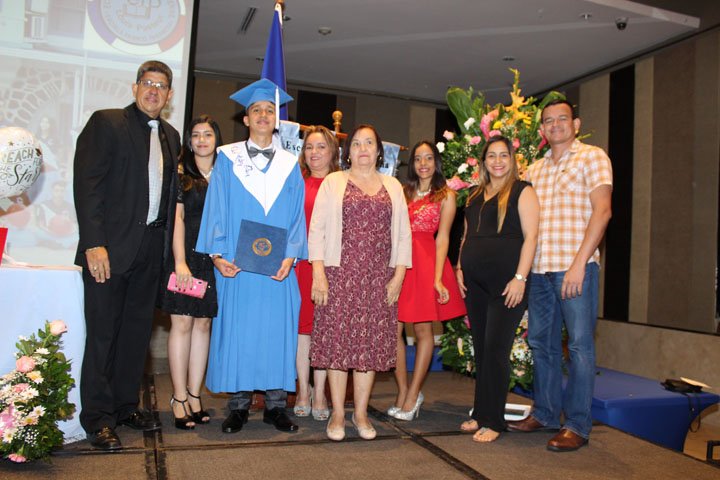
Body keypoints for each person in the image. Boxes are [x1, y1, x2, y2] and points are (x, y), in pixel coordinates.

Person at [73, 60, 180, 450]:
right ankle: (98, 419)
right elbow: (88, 186)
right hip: (108, 250)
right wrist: (93, 243)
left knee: (136, 336)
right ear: (135, 88)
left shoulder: (171, 135)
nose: (153, 90)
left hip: (150, 252)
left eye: (161, 86)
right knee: (104, 335)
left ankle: (123, 406)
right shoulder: (107, 122)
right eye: (147, 83)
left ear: (169, 96)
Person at [195, 78, 307, 435]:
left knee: (276, 331)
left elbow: (297, 215)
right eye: (256, 110)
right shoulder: (228, 159)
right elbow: (216, 209)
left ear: (277, 120)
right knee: (239, 331)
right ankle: (239, 406)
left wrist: (291, 256)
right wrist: (217, 255)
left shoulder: (290, 164)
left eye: (269, 110)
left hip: (278, 266)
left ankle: (276, 406)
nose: (262, 115)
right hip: (237, 264)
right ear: (246, 119)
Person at [507, 100, 612, 452]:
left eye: (561, 119)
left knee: (579, 346)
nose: (555, 125)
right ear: (541, 130)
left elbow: (602, 212)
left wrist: (579, 263)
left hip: (575, 268)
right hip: (539, 271)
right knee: (542, 344)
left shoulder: (592, 157)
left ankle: (578, 425)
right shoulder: (534, 169)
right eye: (548, 121)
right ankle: (546, 413)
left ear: (575, 123)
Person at [308, 124, 412, 441]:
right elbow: (317, 230)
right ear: (347, 151)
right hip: (339, 275)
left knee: (368, 349)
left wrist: (398, 276)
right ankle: (339, 413)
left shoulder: (393, 186)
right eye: (356, 143)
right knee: (338, 346)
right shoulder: (333, 182)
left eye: (369, 143)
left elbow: (403, 235)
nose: (363, 148)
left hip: (379, 279)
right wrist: (318, 273)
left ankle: (362, 413)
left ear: (378, 151)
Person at [455, 135, 539, 443]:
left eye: (504, 155)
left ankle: (494, 421)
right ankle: (481, 412)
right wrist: (460, 267)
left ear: (512, 160)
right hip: (475, 283)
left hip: (507, 285)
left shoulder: (522, 191)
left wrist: (520, 278)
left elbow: (531, 237)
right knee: (481, 348)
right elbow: (466, 236)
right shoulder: (474, 195)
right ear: (484, 161)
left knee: (495, 349)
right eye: (492, 155)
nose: (498, 161)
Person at [391, 141, 466, 421]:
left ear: (436, 162)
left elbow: (443, 237)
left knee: (423, 330)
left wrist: (437, 279)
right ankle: (403, 390)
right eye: (418, 159)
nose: (423, 164)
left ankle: (413, 395)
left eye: (429, 158)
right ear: (412, 164)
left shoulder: (446, 195)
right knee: (393, 331)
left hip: (426, 262)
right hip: (400, 262)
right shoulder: (403, 191)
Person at [159, 115, 223, 429]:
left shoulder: (225, 175)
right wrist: (180, 261)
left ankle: (195, 395)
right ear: (189, 141)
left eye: (207, 134)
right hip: (184, 257)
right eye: (195, 135)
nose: (201, 140)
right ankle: (179, 397)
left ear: (216, 139)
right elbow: (178, 220)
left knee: (203, 325)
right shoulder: (182, 175)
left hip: (212, 261)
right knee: (182, 324)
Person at [293, 125, 339, 421]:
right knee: (302, 331)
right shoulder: (296, 182)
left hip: (330, 266)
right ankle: (302, 389)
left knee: (323, 331)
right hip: (301, 265)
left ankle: (320, 392)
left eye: (321, 146)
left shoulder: (341, 184)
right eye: (309, 147)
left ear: (332, 152)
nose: (314, 152)